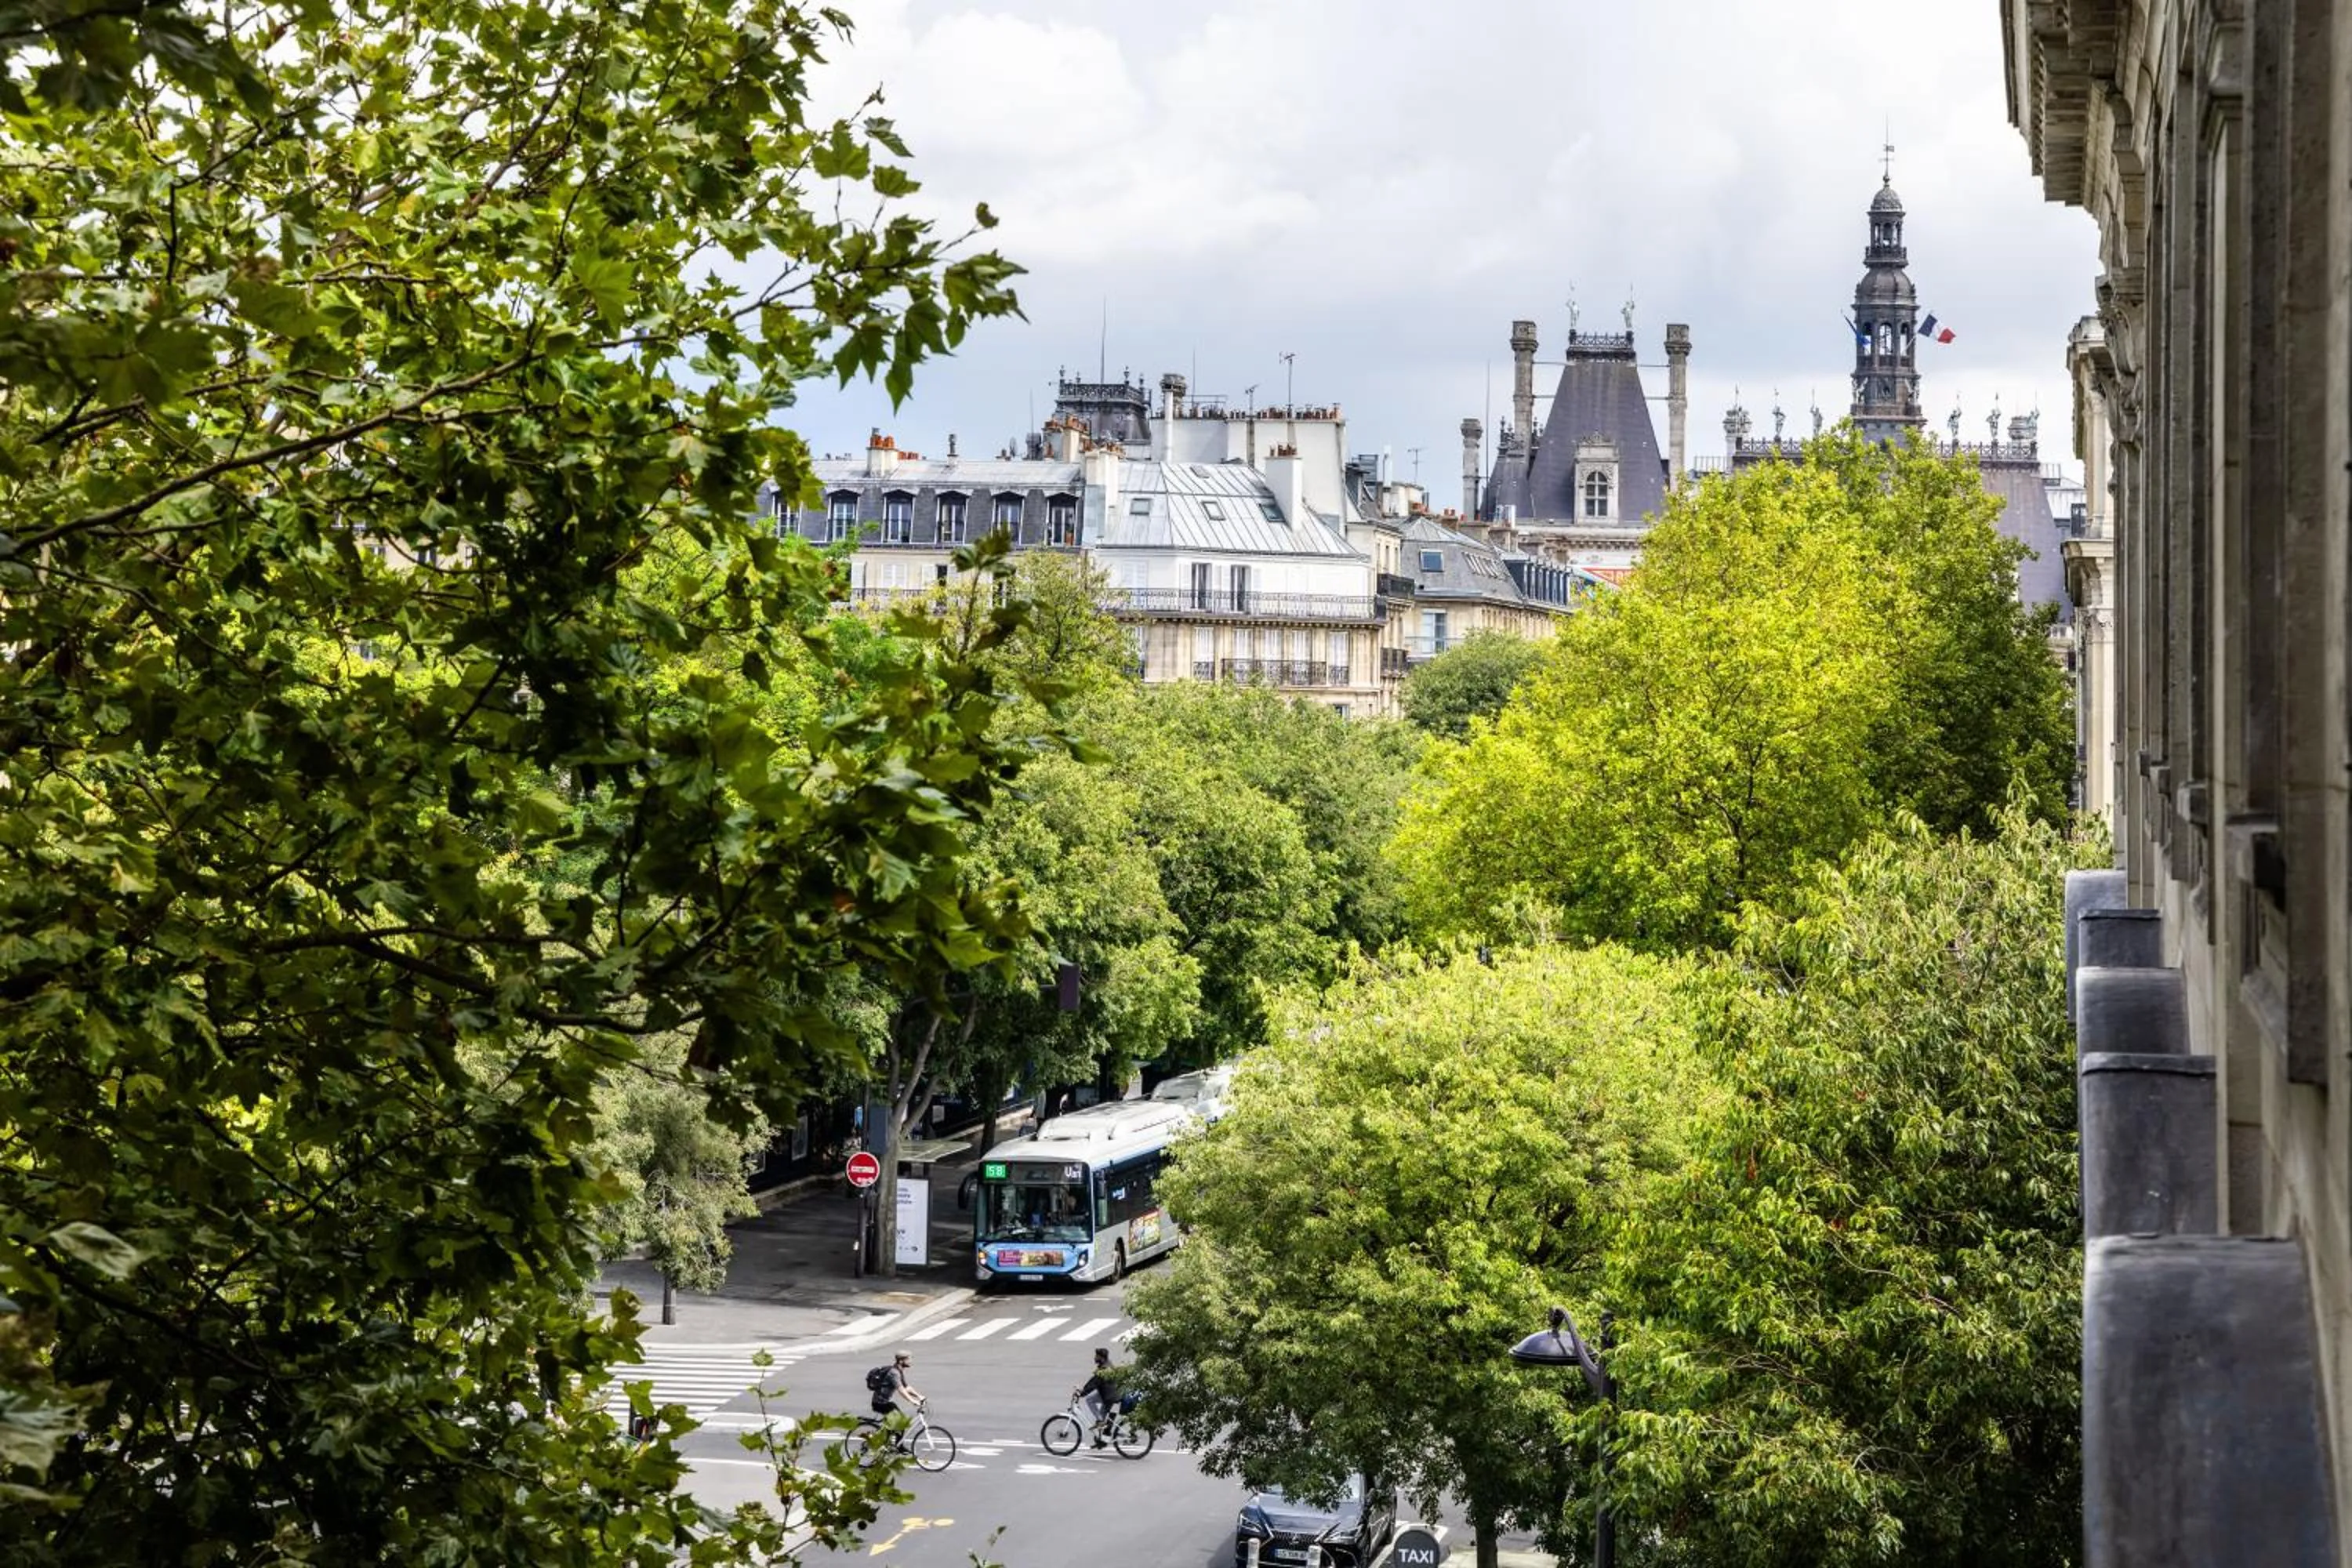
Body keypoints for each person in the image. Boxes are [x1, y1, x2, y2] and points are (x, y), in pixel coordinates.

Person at [1074, 1347, 1121, 1450]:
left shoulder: (1104, 1369)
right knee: (1098, 1414)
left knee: (1100, 1418)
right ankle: (1101, 1439)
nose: (1095, 1358)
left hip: (1109, 1396)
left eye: (1097, 1356)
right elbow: (1093, 1380)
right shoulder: (1107, 1364)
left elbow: (1094, 1383)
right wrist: (1083, 1391)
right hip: (1108, 1392)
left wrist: (1082, 1393)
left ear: (1102, 1358)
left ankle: (1102, 1433)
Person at [873, 1351, 923, 1418]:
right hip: (880, 1403)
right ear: (901, 1361)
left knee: (900, 1422)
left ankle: (890, 1428)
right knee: (901, 1420)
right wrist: (912, 1401)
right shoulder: (894, 1373)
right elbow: (901, 1390)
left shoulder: (899, 1371)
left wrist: (919, 1396)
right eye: (908, 1359)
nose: (910, 1361)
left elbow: (907, 1388)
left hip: (886, 1402)